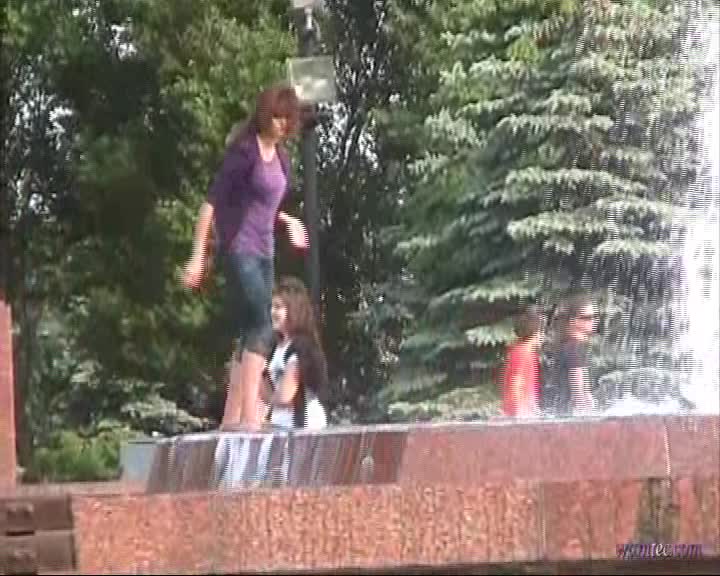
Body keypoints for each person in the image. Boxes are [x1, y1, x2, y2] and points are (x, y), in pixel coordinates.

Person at [182, 84, 309, 430]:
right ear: (265, 115)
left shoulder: (282, 159)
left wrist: (289, 221)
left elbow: (266, 204)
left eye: (288, 119)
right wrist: (197, 257)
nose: (282, 124)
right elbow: (210, 205)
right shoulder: (244, 153)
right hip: (239, 247)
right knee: (263, 325)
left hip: (265, 250)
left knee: (247, 330)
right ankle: (251, 415)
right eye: (277, 117)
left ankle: (231, 418)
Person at [260, 276, 328, 429]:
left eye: (278, 307)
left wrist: (269, 396)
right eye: (272, 307)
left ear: (293, 310)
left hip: (303, 425)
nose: (272, 312)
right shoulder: (276, 347)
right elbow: (267, 393)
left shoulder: (301, 347)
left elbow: (285, 396)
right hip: (281, 424)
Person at [543, 292, 598, 416]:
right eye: (587, 317)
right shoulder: (573, 348)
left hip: (559, 410)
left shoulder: (568, 345)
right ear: (573, 321)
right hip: (568, 414)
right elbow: (577, 383)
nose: (593, 321)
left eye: (595, 317)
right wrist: (584, 412)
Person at [501, 305, 544, 418]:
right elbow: (516, 382)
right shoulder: (522, 352)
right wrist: (518, 411)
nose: (543, 336)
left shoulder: (527, 352)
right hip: (521, 413)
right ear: (536, 332)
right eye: (541, 331)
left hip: (527, 411)